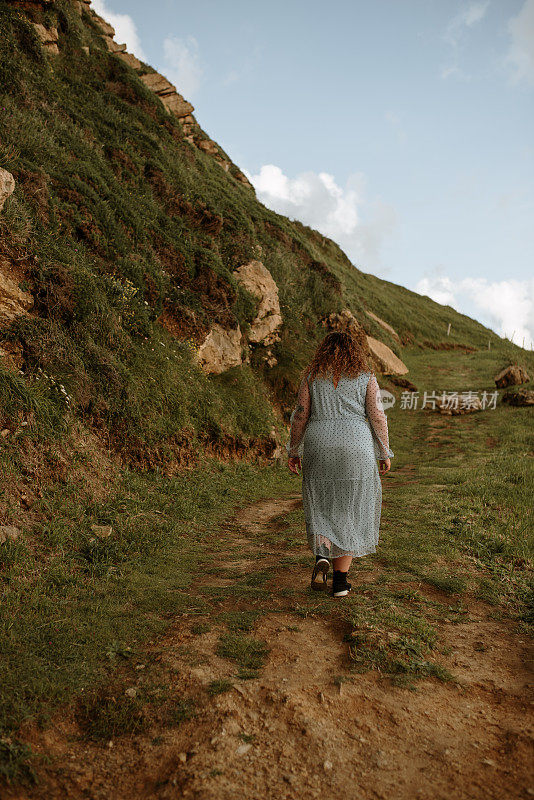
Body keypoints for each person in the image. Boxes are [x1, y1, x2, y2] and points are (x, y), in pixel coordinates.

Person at [286, 328, 394, 597]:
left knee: (321, 503)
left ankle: (322, 553)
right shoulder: (366, 377)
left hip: (319, 445)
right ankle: (340, 582)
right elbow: (378, 416)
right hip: (356, 446)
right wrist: (384, 452)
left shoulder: (312, 377)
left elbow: (300, 415)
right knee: (350, 508)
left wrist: (293, 449)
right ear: (355, 353)